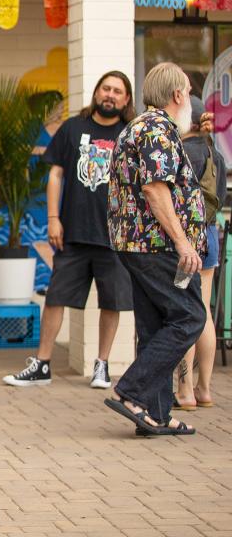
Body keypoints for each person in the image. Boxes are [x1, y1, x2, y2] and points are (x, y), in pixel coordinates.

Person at [4, 72, 136, 388]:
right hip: (73, 232)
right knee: (56, 296)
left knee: (112, 301)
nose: (111, 95)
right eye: (106, 88)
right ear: (96, 92)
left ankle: (102, 366)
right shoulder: (73, 128)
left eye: (118, 91)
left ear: (126, 99)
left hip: (113, 235)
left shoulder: (129, 134)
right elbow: (55, 175)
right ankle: (42, 364)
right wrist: (53, 218)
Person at [105, 62, 206, 437]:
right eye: (188, 93)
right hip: (156, 244)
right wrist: (182, 242)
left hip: (140, 244)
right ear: (178, 95)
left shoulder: (142, 127)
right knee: (190, 317)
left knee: (155, 325)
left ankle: (154, 415)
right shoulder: (156, 130)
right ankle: (132, 390)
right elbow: (155, 189)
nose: (191, 101)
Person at [174, 96, 225, 410]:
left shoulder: (181, 153)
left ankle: (185, 391)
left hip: (188, 241)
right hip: (210, 235)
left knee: (183, 311)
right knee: (203, 311)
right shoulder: (213, 152)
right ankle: (205, 388)